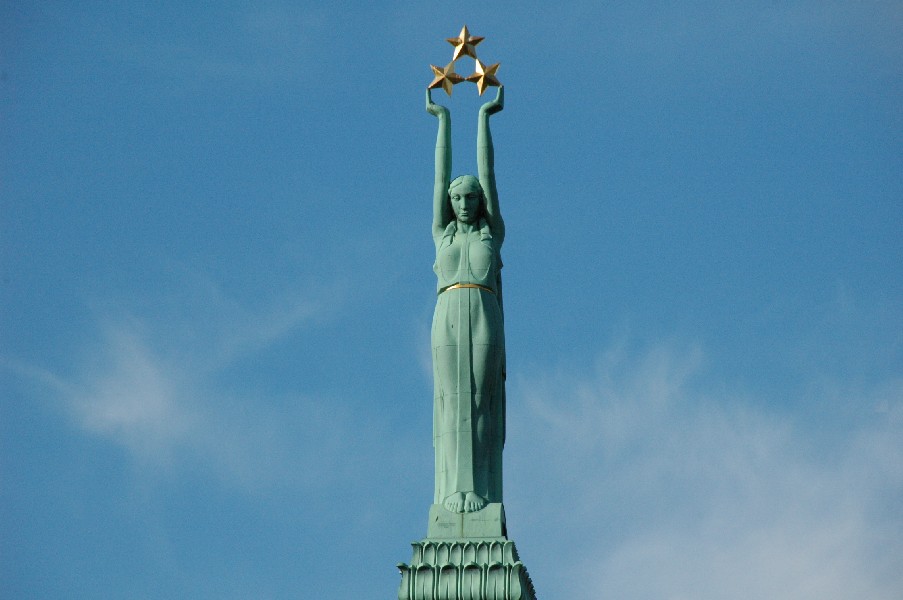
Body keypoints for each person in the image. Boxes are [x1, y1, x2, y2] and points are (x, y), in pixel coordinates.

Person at [426, 86, 506, 513]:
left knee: (478, 400)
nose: (462, 203)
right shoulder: (442, 234)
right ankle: (451, 492)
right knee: (450, 400)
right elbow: (439, 177)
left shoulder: (492, 233)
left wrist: (483, 118)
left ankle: (476, 488)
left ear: (480, 201)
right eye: (456, 198)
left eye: (470, 197)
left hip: (484, 313)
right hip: (448, 314)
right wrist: (443, 120)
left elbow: (488, 172)